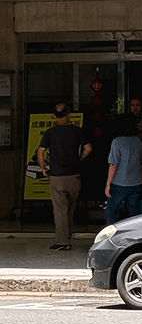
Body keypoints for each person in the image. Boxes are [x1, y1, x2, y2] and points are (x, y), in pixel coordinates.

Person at [36, 104, 91, 251]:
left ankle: (62, 241)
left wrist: (43, 168)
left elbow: (40, 152)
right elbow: (88, 148)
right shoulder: (77, 131)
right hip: (74, 176)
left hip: (57, 177)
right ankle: (68, 236)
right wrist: (79, 159)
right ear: (68, 115)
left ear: (54, 116)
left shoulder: (49, 133)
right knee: (70, 209)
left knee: (60, 210)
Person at [105, 119, 142, 225]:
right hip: (136, 183)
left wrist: (108, 184)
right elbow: (141, 165)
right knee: (135, 213)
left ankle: (111, 236)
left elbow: (113, 164)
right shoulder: (138, 142)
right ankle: (137, 234)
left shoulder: (117, 142)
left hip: (119, 183)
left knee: (112, 212)